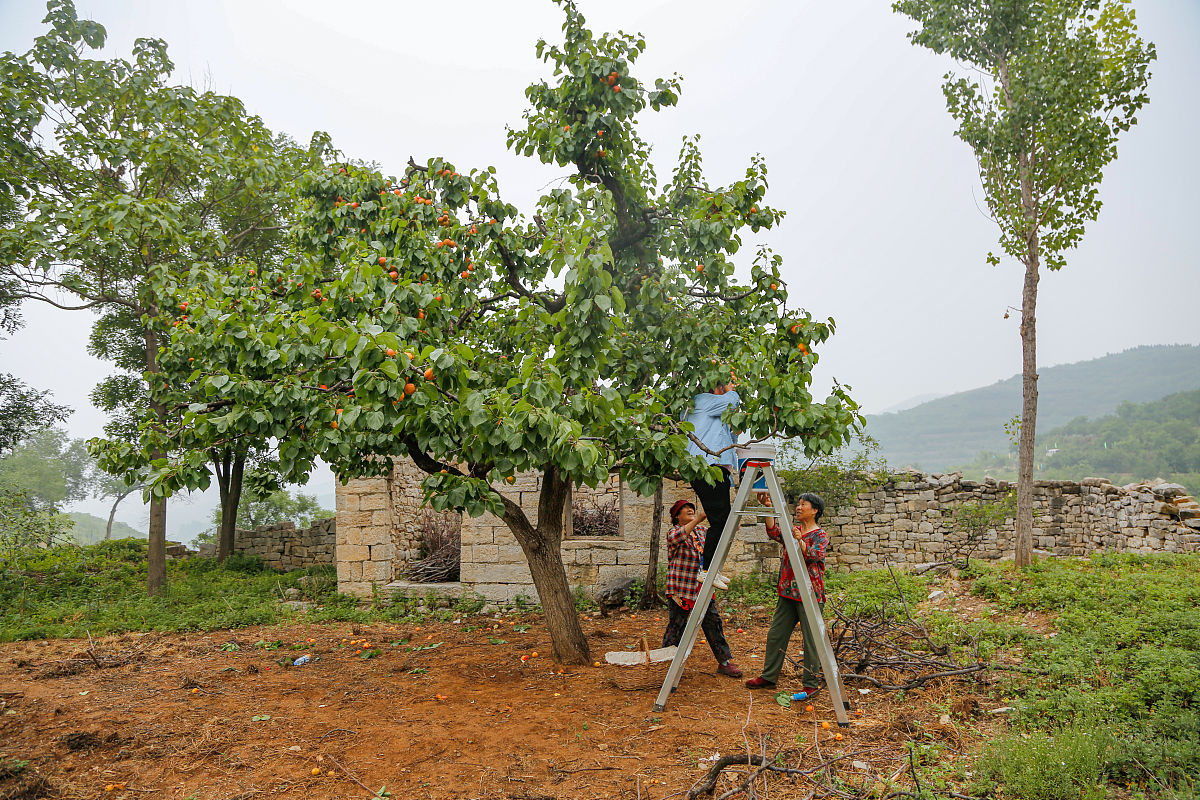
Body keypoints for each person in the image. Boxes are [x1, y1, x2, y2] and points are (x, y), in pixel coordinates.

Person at [744, 491, 829, 694]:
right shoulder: (794, 530)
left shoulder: (820, 535)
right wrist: (767, 508)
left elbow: (815, 554)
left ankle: (810, 684)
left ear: (815, 511)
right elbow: (774, 532)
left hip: (810, 595)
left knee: (811, 641)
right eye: (798, 504)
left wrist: (800, 541)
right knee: (776, 635)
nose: (799, 507)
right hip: (788, 592)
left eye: (804, 505)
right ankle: (769, 676)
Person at [663, 498, 743, 678]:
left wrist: (730, 521)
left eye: (691, 508)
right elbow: (680, 536)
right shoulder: (674, 532)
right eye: (685, 509)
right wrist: (698, 518)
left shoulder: (701, 531)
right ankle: (665, 662)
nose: (689, 510)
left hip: (702, 587)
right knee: (677, 626)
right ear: (676, 516)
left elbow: (721, 536)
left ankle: (724, 662)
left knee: (713, 622)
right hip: (680, 589)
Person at [683, 377, 741, 589]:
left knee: (723, 521)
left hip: (713, 468)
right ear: (717, 387)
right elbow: (731, 402)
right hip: (708, 468)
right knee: (720, 521)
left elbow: (725, 435)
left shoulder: (710, 411)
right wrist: (731, 389)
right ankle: (707, 570)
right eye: (723, 387)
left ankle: (711, 569)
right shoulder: (702, 401)